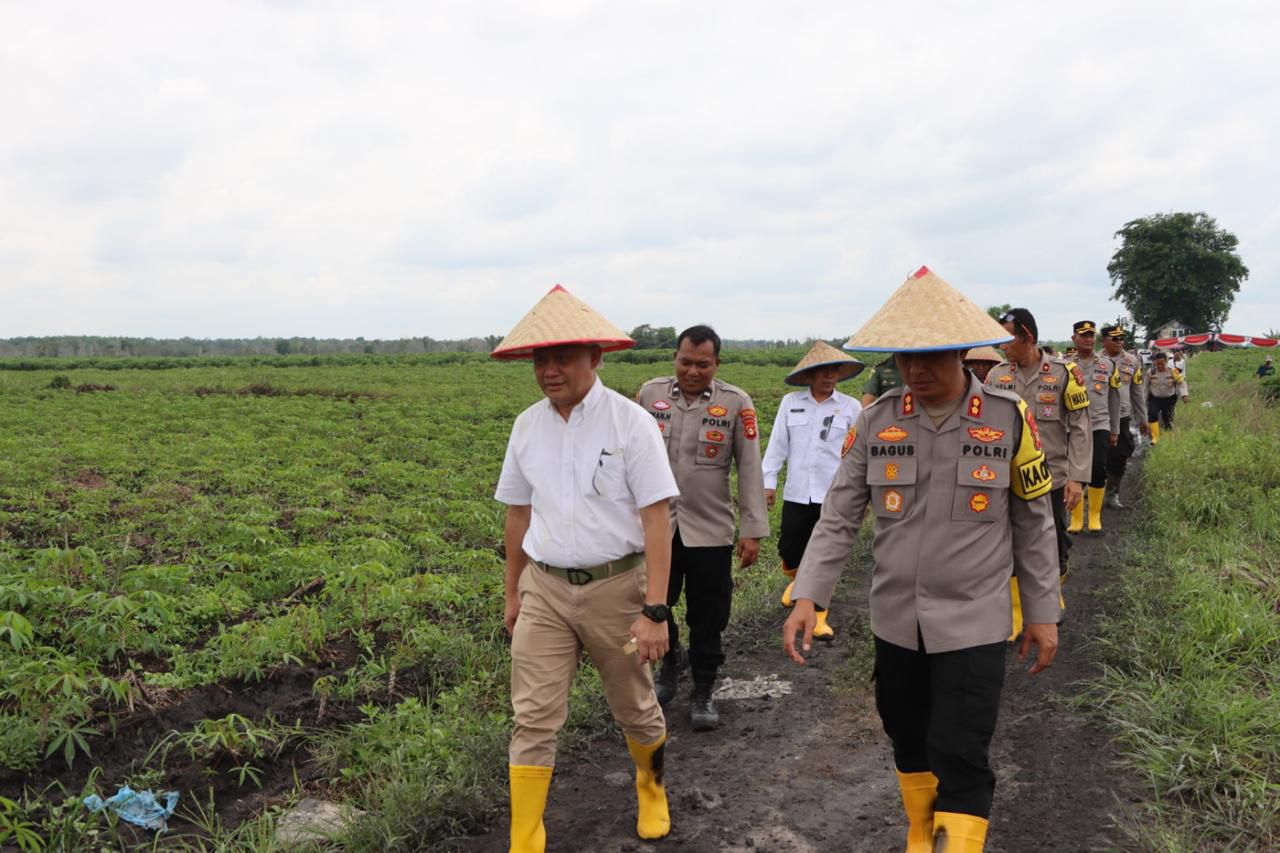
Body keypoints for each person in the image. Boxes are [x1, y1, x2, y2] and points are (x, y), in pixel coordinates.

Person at [784, 267, 1060, 852]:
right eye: (906, 357)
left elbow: (1033, 525)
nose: (917, 370)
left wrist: (1042, 611)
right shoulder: (878, 419)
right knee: (907, 737)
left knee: (961, 749)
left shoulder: (1009, 419)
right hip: (897, 622)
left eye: (932, 356)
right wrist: (808, 595)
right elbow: (838, 515)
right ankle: (920, 830)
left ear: (962, 352)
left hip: (974, 620)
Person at [492, 285, 680, 851]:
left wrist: (655, 610)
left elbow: (656, 522)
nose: (550, 370)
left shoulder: (630, 424)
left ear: (595, 358)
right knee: (533, 716)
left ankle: (651, 786)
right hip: (545, 589)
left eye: (563, 358)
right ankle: (526, 834)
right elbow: (517, 516)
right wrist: (512, 594)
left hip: (617, 589)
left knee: (636, 707)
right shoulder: (527, 426)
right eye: (541, 360)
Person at [637, 326, 769, 731]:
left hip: (710, 528)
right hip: (658, 527)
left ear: (717, 363)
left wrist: (752, 530)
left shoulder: (735, 403)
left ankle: (704, 689)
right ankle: (670, 661)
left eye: (703, 364)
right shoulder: (648, 396)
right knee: (655, 600)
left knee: (709, 614)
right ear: (674, 358)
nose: (693, 372)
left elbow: (748, 470)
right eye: (685, 362)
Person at [987, 308, 1090, 637]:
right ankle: (1018, 615)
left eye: (1008, 339)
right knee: (1010, 546)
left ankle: (1051, 595)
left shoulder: (1064, 373)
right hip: (1006, 478)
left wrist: (1077, 477)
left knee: (1054, 545)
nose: (1003, 347)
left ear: (1027, 337)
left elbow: (1080, 427)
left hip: (1053, 478)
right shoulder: (996, 376)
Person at [762, 341, 865, 641]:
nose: (829, 376)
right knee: (790, 552)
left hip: (833, 493)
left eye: (833, 371)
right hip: (797, 492)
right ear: (809, 375)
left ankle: (819, 616)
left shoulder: (850, 407)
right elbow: (778, 445)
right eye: (822, 371)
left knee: (825, 556)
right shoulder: (790, 402)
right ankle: (800, 583)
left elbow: (857, 453)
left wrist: (860, 492)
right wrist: (768, 481)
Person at [1067, 321, 1120, 533]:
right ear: (1074, 338)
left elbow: (1114, 399)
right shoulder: (1065, 365)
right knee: (1074, 470)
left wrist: (1115, 429)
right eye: (1083, 335)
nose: (1088, 339)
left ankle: (1095, 516)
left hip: (1100, 423)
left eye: (1091, 335)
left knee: (1098, 467)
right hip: (1073, 426)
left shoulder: (1108, 365)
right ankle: (1076, 519)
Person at [1101, 325, 1149, 510]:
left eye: (1122, 338)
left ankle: (1112, 493)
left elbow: (1137, 391)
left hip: (1121, 416)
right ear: (1104, 341)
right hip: (1098, 417)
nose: (1120, 341)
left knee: (1120, 455)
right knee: (1097, 457)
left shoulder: (1132, 361)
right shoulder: (1095, 360)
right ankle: (1093, 489)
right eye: (1115, 338)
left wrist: (1143, 419)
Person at [1146, 351, 1189, 442]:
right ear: (1155, 363)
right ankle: (1155, 437)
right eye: (1158, 364)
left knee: (1168, 418)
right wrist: (1143, 400)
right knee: (1153, 415)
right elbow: (1145, 387)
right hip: (1155, 398)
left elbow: (1181, 383)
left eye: (1162, 363)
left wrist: (1184, 395)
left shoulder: (1173, 371)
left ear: (1166, 362)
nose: (1160, 366)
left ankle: (1167, 437)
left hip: (1169, 399)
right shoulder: (1151, 372)